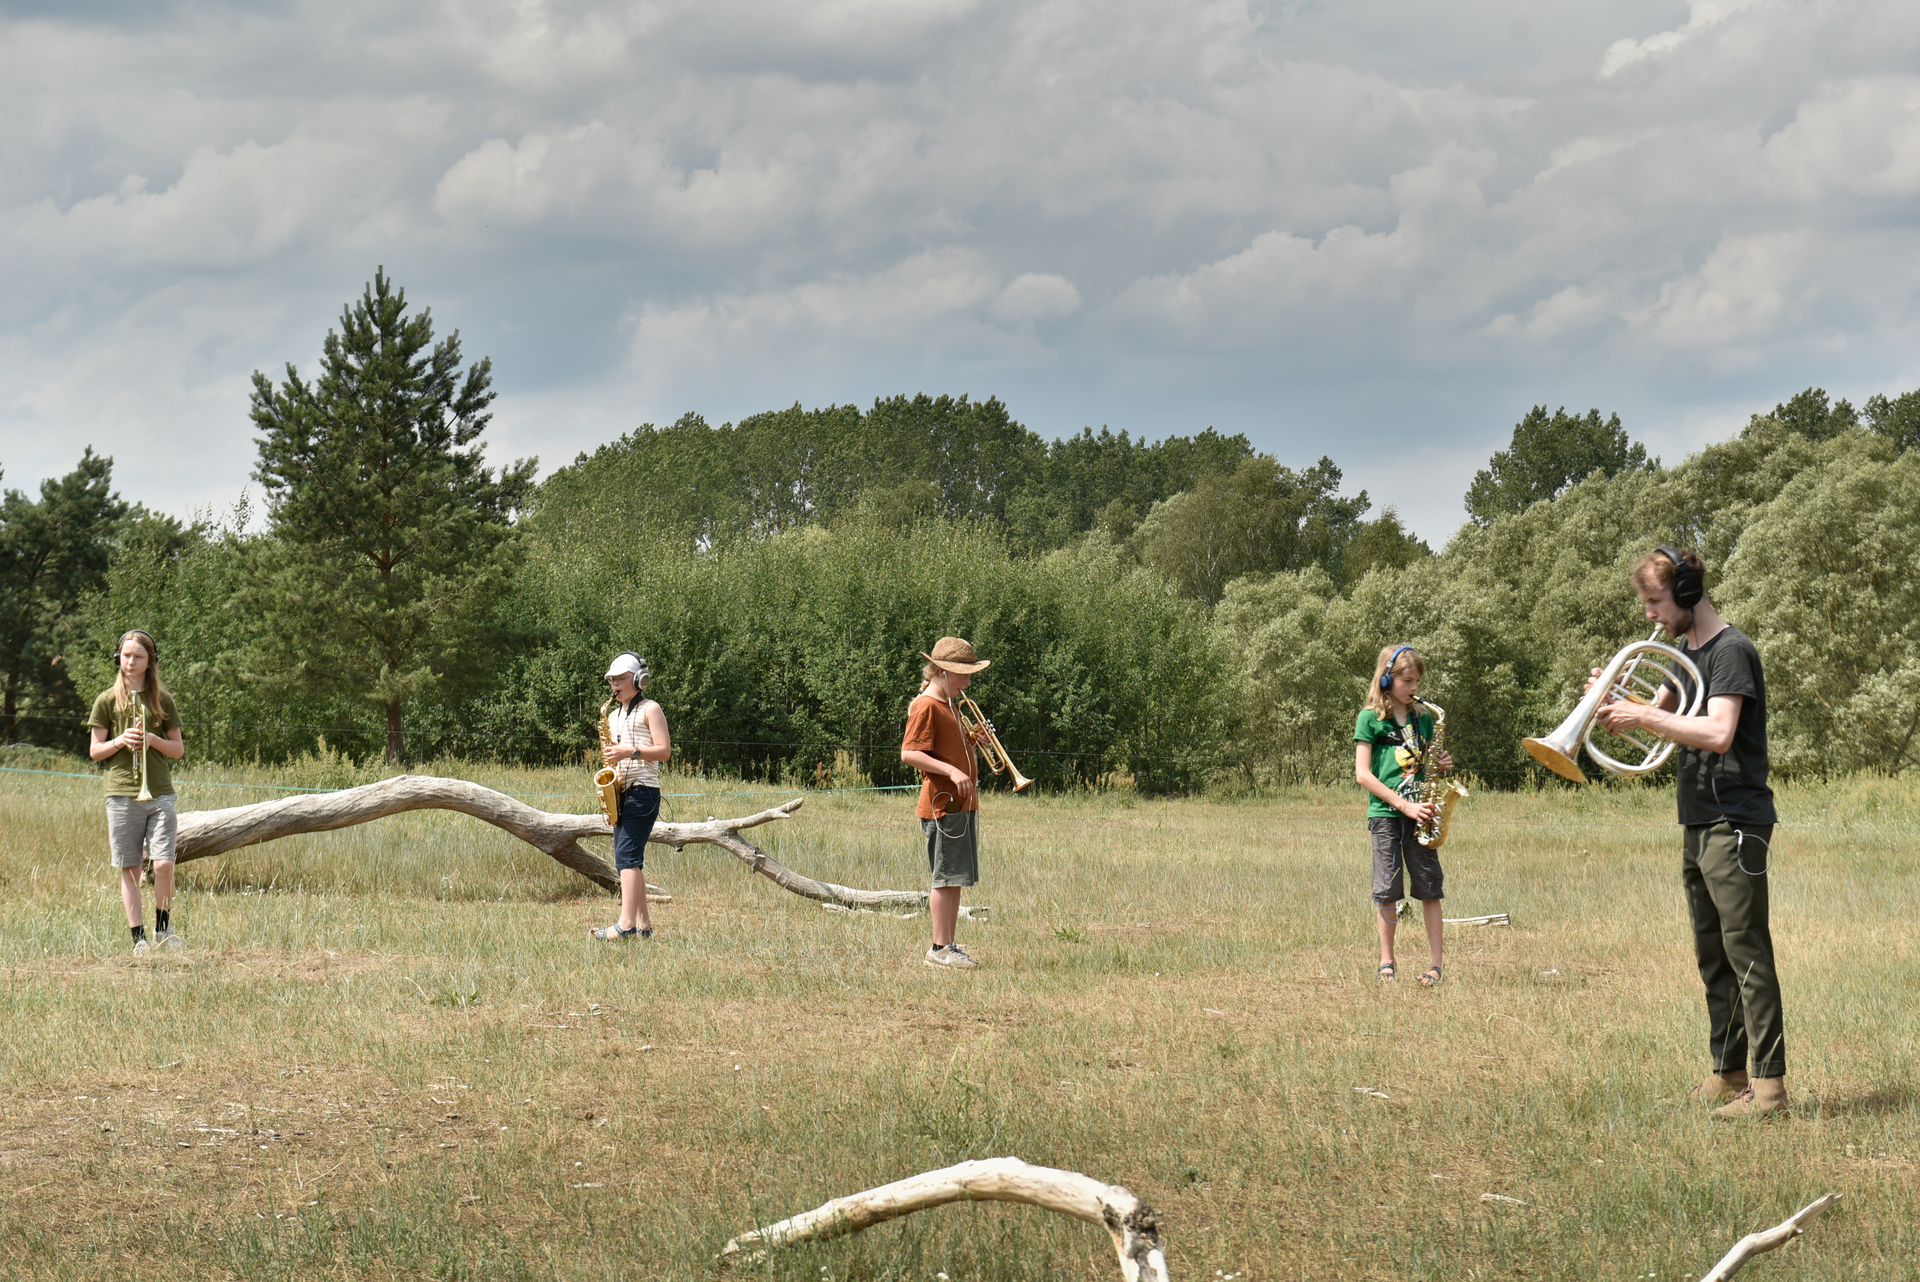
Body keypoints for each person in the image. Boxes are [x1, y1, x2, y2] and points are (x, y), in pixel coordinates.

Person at [1594, 547, 1786, 1118]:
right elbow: (1660, 718)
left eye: (1655, 601)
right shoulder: (1684, 654)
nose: (1650, 614)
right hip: (1699, 818)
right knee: (1713, 955)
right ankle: (1728, 1074)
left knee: (1746, 950)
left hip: (1736, 821)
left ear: (1685, 592)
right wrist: (1610, 704)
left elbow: (1720, 731)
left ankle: (1770, 1087)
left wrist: (1645, 716)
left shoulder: (1731, 650)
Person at [1354, 644, 1451, 986]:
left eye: (1417, 682)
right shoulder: (1370, 718)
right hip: (1386, 814)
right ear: (1385, 680)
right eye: (1407, 681)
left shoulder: (1423, 718)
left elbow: (1424, 762)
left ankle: (1436, 966)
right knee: (1387, 891)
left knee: (1429, 889)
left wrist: (1439, 764)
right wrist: (1404, 805)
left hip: (1421, 813)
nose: (1413, 689)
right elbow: (1363, 775)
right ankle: (1386, 963)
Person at [87, 629, 187, 954]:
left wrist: (153, 740)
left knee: (163, 865)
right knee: (129, 867)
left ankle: (163, 928)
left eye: (138, 656)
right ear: (119, 658)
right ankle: (138, 939)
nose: (131, 661)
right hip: (121, 794)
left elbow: (178, 750)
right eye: (126, 655)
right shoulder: (106, 700)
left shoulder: (163, 700)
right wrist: (120, 741)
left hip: (159, 793)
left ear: (149, 661)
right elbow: (95, 751)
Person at [900, 636, 989, 969]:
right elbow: (910, 753)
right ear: (942, 672)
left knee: (956, 876)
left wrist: (972, 739)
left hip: (961, 804)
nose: (968, 682)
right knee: (944, 877)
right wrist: (952, 770)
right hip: (942, 805)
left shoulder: (950, 703)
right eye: (963, 675)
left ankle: (950, 944)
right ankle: (939, 947)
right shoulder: (927, 705)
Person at [589, 652, 670, 942]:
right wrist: (612, 763)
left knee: (627, 857)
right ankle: (643, 924)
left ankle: (625, 926)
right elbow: (616, 755)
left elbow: (664, 751)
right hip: (621, 790)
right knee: (631, 859)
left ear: (639, 680)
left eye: (621, 678)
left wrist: (629, 751)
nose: (615, 684)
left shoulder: (651, 708)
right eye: (611, 679)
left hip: (643, 791)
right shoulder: (613, 715)